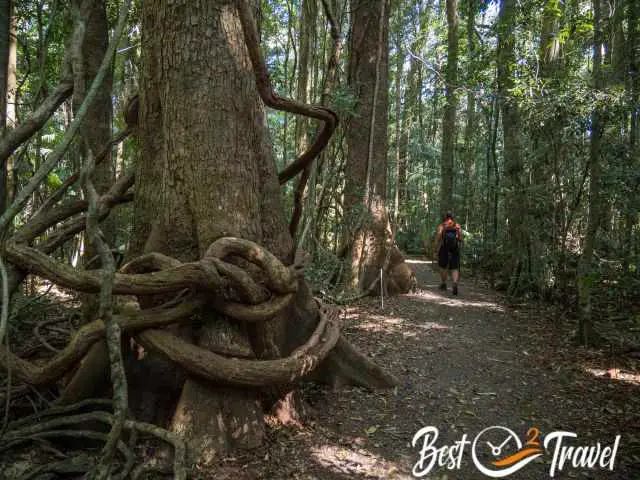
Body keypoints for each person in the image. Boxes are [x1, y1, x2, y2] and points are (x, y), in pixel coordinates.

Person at [433, 212, 462, 295]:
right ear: (453, 218)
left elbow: (438, 238)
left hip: (444, 248)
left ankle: (443, 283)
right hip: (455, 248)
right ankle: (455, 283)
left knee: (443, 266)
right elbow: (460, 238)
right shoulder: (457, 226)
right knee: (455, 267)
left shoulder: (442, 226)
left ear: (445, 217)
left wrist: (435, 250)